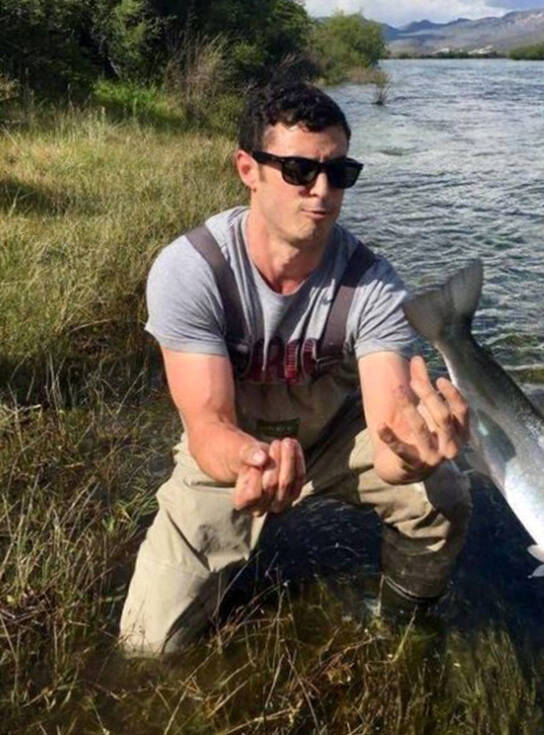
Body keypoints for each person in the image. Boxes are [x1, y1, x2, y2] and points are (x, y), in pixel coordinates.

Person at [119, 81, 472, 656]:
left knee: (443, 493)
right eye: (299, 170)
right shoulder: (193, 269)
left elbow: (388, 435)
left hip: (335, 438)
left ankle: (403, 623)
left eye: (339, 173)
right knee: (148, 646)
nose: (323, 191)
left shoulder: (374, 285)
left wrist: (414, 453)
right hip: (233, 450)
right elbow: (208, 425)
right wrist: (252, 461)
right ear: (248, 169)